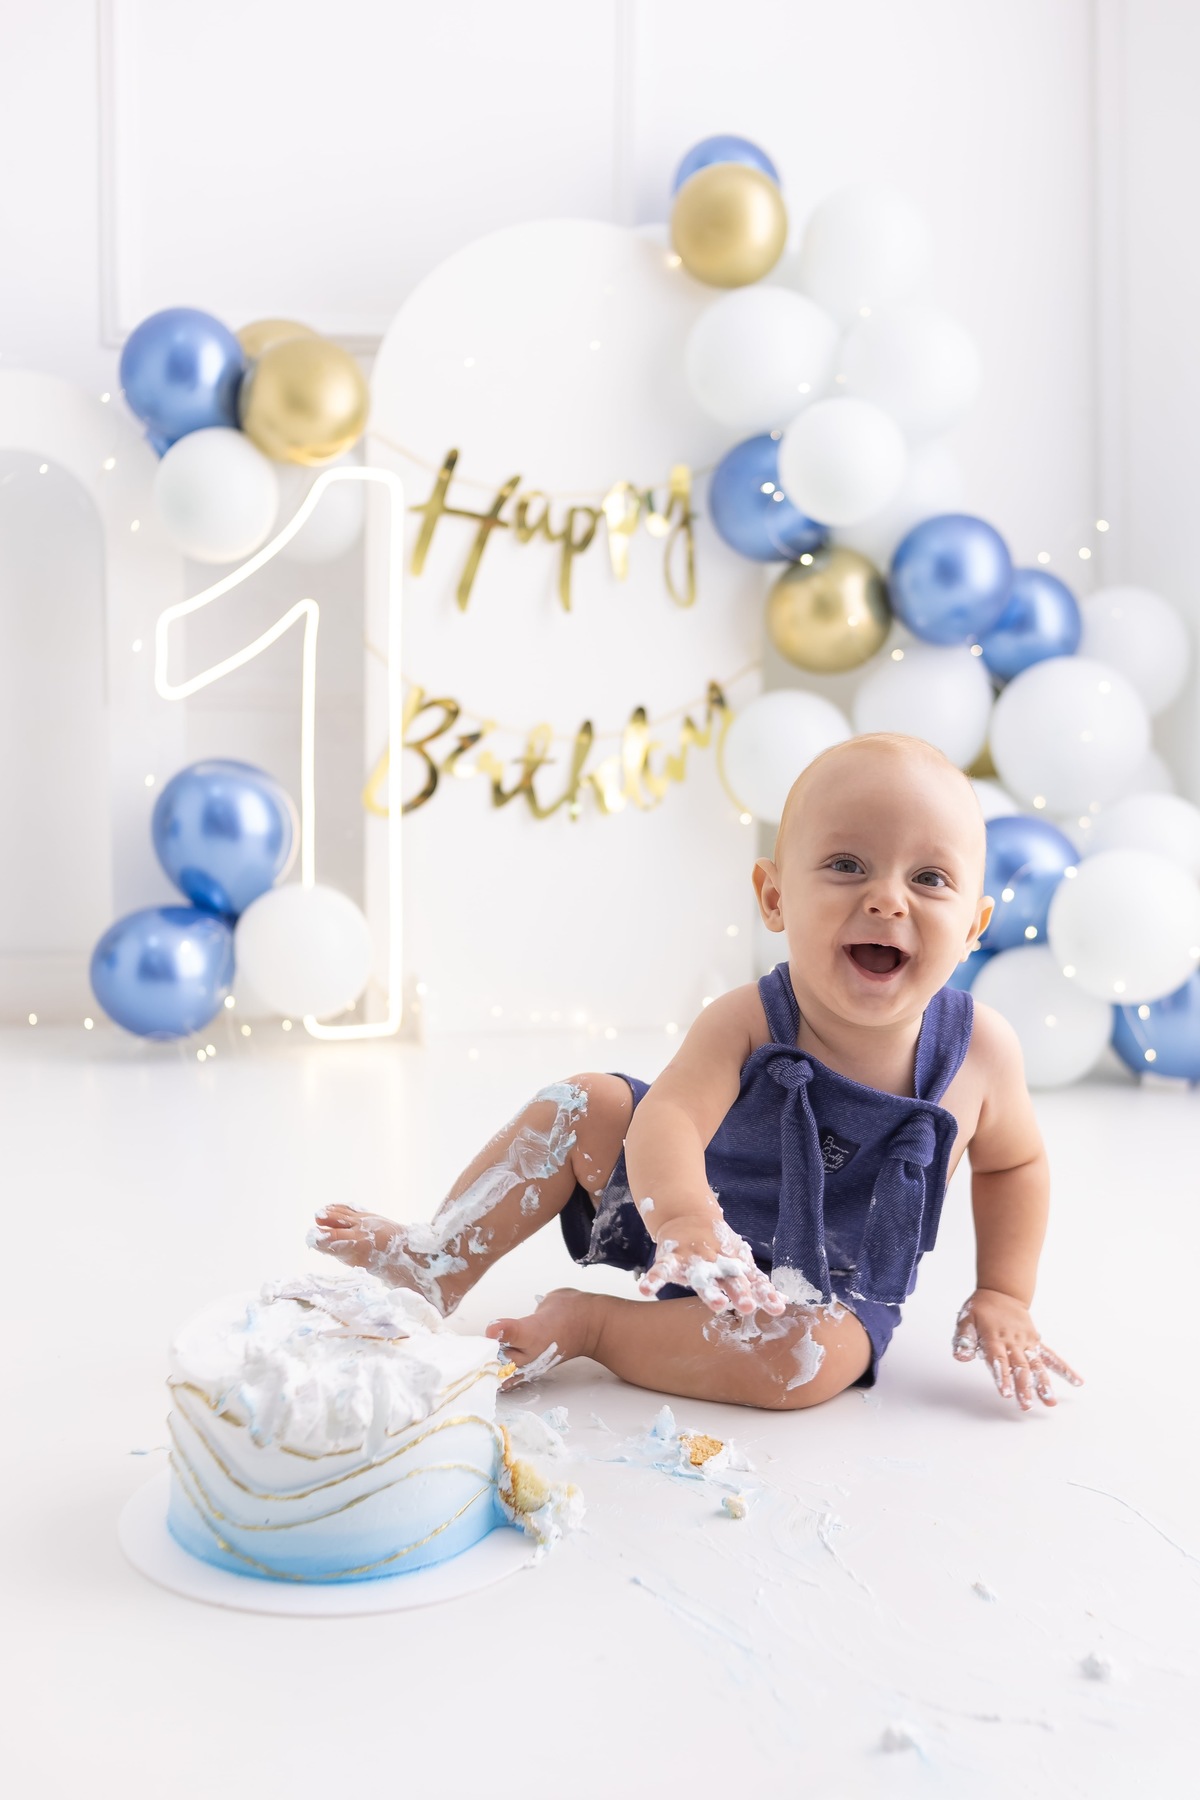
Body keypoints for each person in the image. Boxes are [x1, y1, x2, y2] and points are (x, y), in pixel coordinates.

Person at [310, 732, 1083, 1414]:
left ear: (975, 928)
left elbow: (1015, 1162)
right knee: (585, 1101)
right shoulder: (748, 1018)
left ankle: (597, 1325)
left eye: (930, 879)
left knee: (809, 1364)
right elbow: (670, 1117)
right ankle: (436, 1258)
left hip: (820, 1292)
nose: (886, 898)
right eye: (847, 865)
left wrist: (1003, 1291)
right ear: (774, 897)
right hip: (683, 1222)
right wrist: (683, 1217)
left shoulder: (983, 1051)